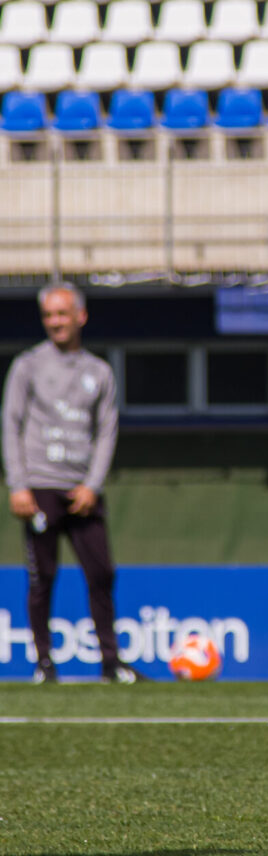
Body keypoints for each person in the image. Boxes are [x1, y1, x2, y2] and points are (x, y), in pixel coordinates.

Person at [1, 282, 143, 684]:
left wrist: (92, 485)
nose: (55, 322)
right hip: (39, 487)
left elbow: (107, 432)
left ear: (80, 316)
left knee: (102, 573)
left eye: (62, 314)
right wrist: (18, 485)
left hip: (82, 491)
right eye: (48, 315)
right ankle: (44, 664)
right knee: (41, 578)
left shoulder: (98, 372)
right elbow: (10, 426)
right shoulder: (27, 366)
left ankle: (111, 664)